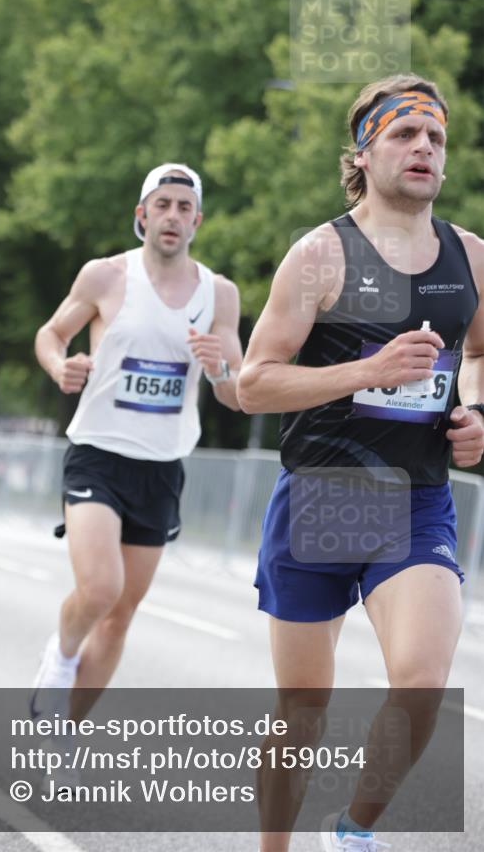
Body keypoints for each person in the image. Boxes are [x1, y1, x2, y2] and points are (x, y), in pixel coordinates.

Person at [237, 74, 484, 852]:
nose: (422, 149)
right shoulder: (318, 254)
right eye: (404, 135)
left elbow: (476, 355)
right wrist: (363, 371)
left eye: (434, 138)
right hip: (320, 495)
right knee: (302, 707)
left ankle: (350, 833)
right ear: (363, 152)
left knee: (421, 681)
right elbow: (252, 383)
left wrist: (473, 412)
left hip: (414, 498)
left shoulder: (472, 257)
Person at [30, 163, 242, 727]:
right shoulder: (106, 276)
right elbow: (51, 334)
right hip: (98, 453)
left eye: (184, 207)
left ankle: (61, 733)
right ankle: (60, 659)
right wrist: (60, 366)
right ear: (141, 215)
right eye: (162, 204)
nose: (172, 216)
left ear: (198, 220)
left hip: (162, 466)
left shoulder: (219, 294)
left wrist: (219, 367)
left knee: (120, 617)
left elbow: (236, 392)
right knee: (100, 589)